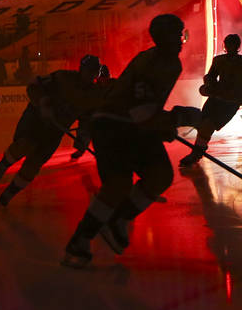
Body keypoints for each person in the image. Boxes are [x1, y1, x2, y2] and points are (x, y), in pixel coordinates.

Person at [62, 14, 198, 268]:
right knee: (122, 184)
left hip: (121, 124)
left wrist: (163, 124)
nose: (181, 39)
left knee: (143, 180)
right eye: (178, 33)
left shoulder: (164, 61)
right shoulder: (159, 63)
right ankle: (103, 227)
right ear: (165, 36)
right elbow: (141, 110)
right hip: (115, 125)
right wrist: (177, 119)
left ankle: (91, 234)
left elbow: (145, 110)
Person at [0, 54, 103, 206]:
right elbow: (34, 86)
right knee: (24, 145)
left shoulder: (93, 96)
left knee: (33, 165)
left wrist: (82, 141)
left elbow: (87, 121)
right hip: (36, 119)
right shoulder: (63, 77)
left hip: (55, 132)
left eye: (94, 72)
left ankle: (8, 195)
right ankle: (4, 164)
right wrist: (43, 103)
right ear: (81, 69)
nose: (91, 75)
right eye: (88, 71)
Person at [179, 33, 242, 168]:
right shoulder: (219, 61)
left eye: (232, 44)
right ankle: (197, 152)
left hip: (230, 103)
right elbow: (210, 77)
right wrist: (209, 85)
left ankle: (196, 153)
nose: (230, 47)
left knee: (208, 125)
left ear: (237, 46)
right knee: (204, 124)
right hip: (216, 99)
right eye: (228, 44)